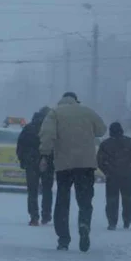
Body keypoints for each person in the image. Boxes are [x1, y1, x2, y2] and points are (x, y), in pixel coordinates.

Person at [39, 92, 107, 252]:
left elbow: (47, 135)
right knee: (85, 200)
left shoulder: (54, 113)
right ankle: (84, 224)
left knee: (62, 201)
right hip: (85, 165)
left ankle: (63, 239)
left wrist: (44, 154)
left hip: (64, 164)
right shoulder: (87, 111)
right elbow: (101, 130)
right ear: (76, 101)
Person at [97, 122, 131, 231]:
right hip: (126, 176)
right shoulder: (130, 142)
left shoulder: (105, 144)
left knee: (111, 199)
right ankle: (127, 220)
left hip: (111, 177)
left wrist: (107, 171)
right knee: (127, 199)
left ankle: (112, 222)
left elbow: (100, 161)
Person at [16, 107, 54, 226]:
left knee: (32, 191)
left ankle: (34, 217)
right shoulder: (50, 129)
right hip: (48, 162)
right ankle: (46, 215)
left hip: (31, 163)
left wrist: (23, 161)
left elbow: (20, 147)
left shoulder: (28, 128)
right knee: (47, 190)